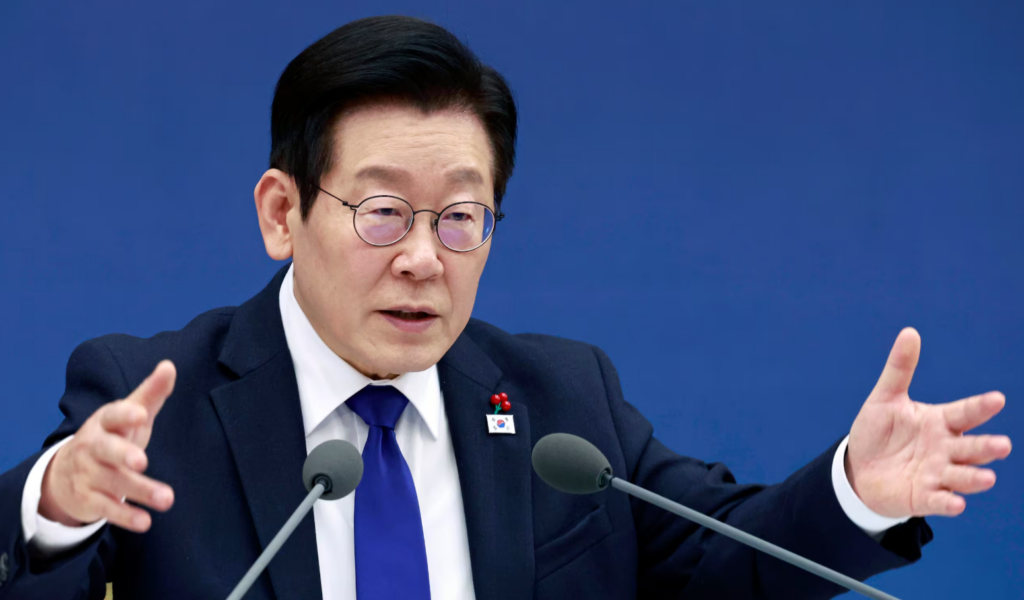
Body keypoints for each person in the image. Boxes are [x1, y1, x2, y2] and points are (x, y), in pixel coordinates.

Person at [0, 15, 1012, 600]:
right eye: (383, 213)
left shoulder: (561, 402)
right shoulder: (150, 405)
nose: (422, 260)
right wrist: (57, 510)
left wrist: (856, 490)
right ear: (281, 213)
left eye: (460, 218)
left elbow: (725, 566)